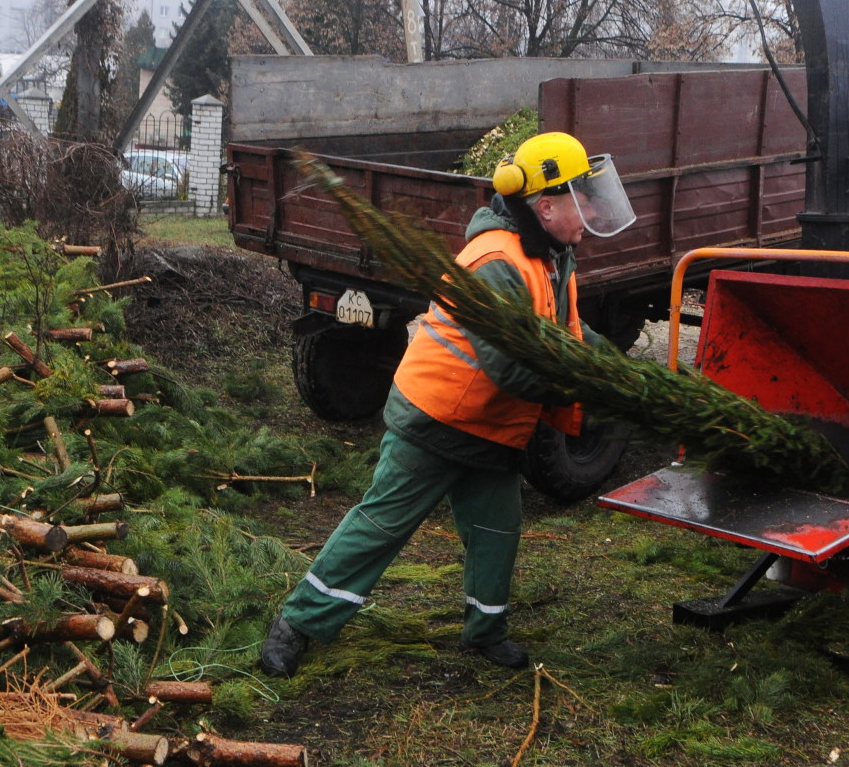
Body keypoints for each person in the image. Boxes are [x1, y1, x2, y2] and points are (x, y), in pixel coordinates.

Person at [259, 131, 636, 677]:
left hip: (494, 428)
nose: (594, 210)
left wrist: (619, 370)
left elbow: (567, 334)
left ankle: (486, 632)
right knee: (382, 526)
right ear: (546, 206)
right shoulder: (496, 263)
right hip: (437, 419)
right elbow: (511, 367)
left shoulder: (552, 256)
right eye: (585, 198)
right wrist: (589, 386)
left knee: (496, 534)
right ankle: (295, 625)